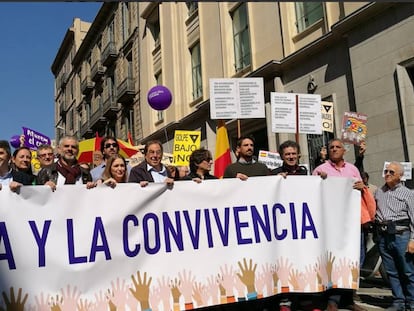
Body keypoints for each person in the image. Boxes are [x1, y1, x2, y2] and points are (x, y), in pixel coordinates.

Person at [312, 138, 367, 311]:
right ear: (327, 151)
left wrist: (361, 186)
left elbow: (360, 188)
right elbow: (312, 193)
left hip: (352, 222)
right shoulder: (320, 170)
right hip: (332, 224)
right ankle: (334, 301)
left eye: (338, 147)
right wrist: (320, 182)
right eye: (331, 147)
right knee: (336, 261)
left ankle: (347, 298)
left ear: (344, 150)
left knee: (356, 259)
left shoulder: (352, 169)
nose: (334, 149)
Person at [374, 161, 414, 311]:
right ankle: (398, 301)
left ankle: (412, 301)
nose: (387, 174)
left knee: (408, 271)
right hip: (383, 235)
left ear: (400, 176)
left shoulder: (408, 193)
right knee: (391, 271)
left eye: (392, 172)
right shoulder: (379, 192)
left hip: (401, 236)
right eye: (386, 171)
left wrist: (413, 240)